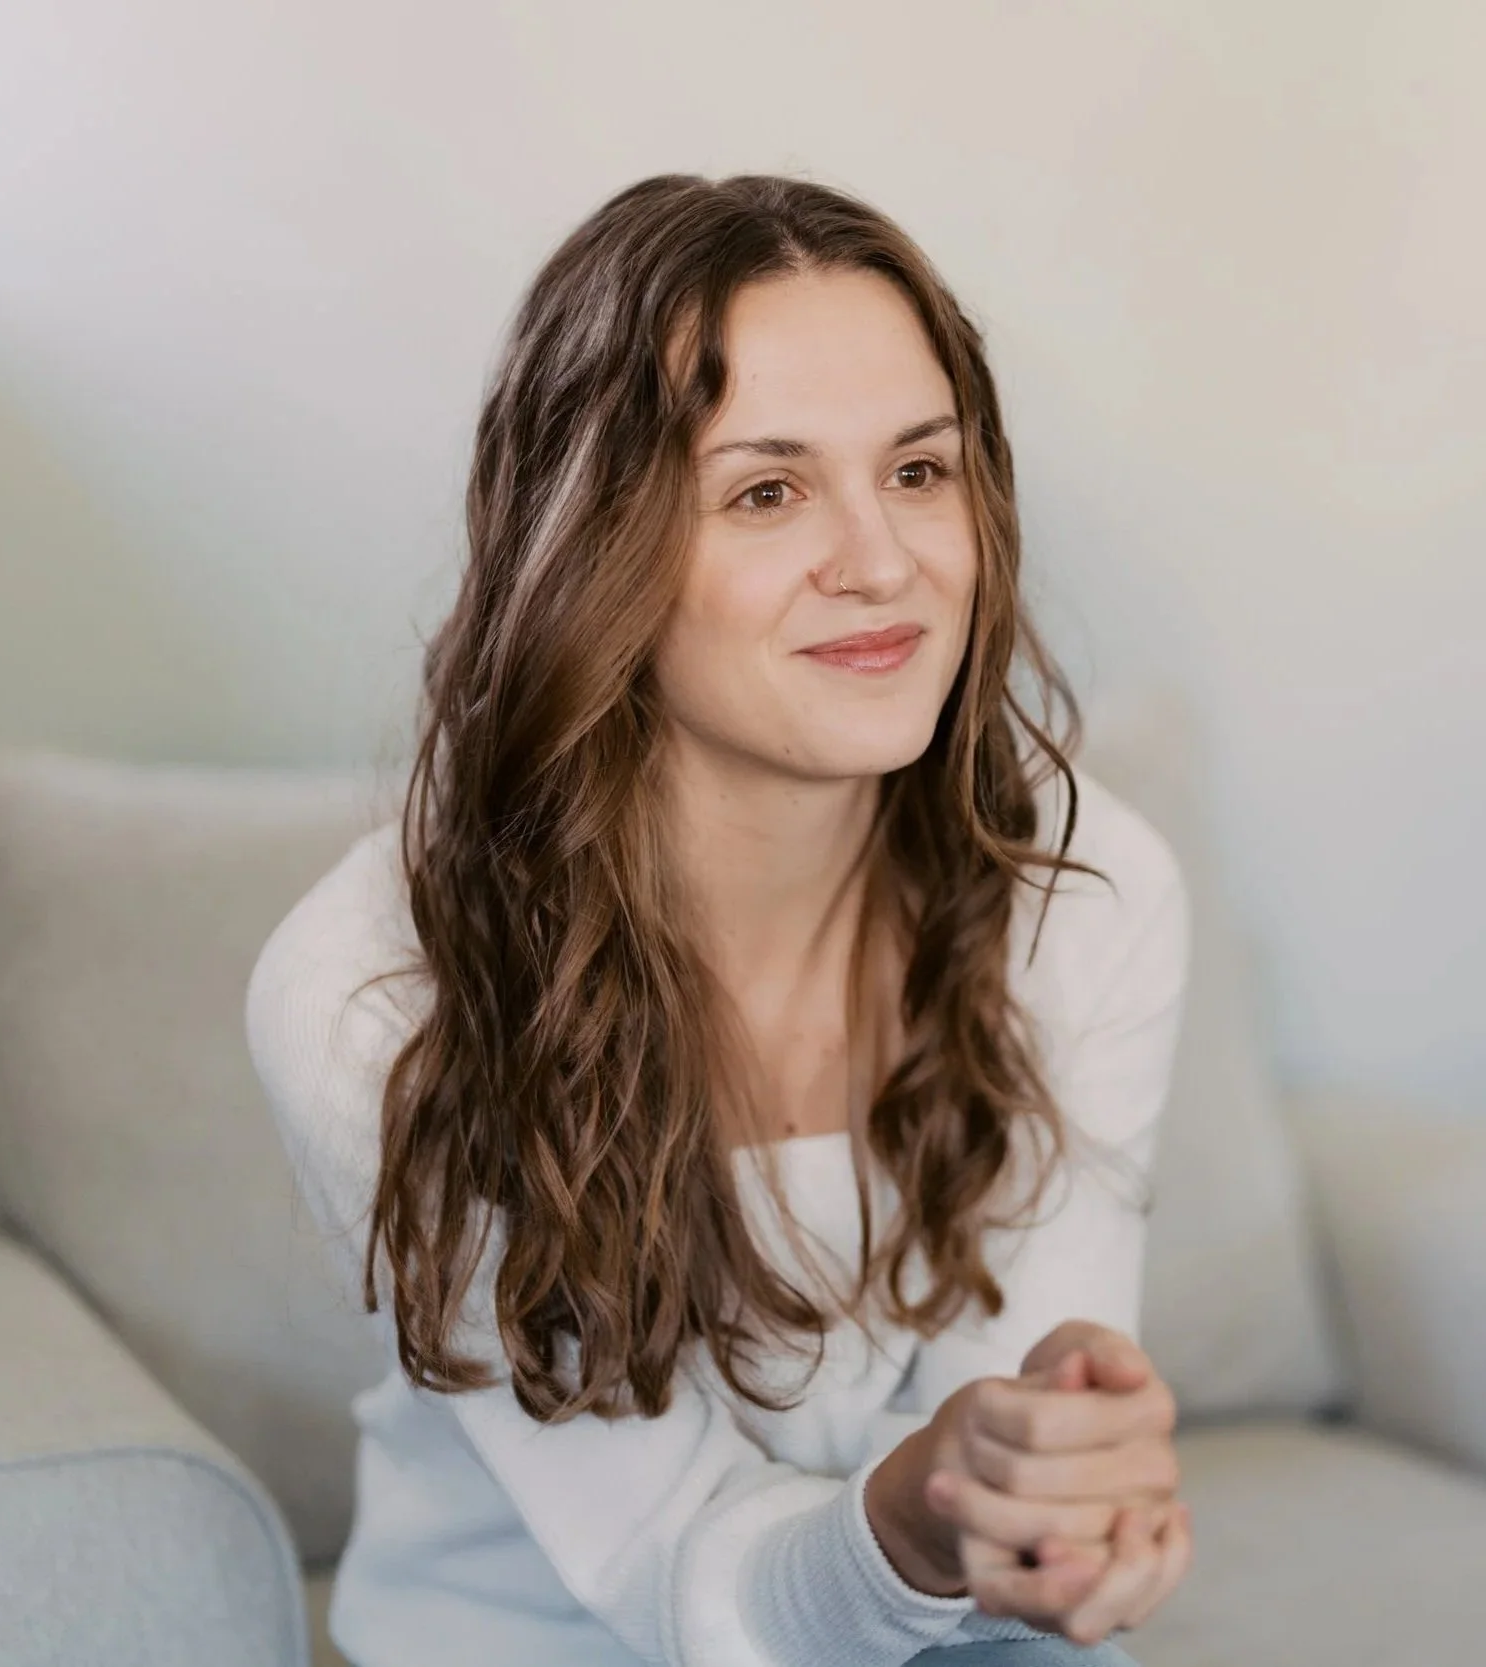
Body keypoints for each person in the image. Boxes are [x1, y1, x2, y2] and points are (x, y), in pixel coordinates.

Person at [245, 172, 1195, 1667]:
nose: (882, 563)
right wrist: (936, 1512)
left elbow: (1009, 1494)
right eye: (767, 489)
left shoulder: (1090, 895)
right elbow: (682, 1570)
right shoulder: (378, 993)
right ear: (592, 557)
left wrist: (1050, 1491)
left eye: (920, 471)